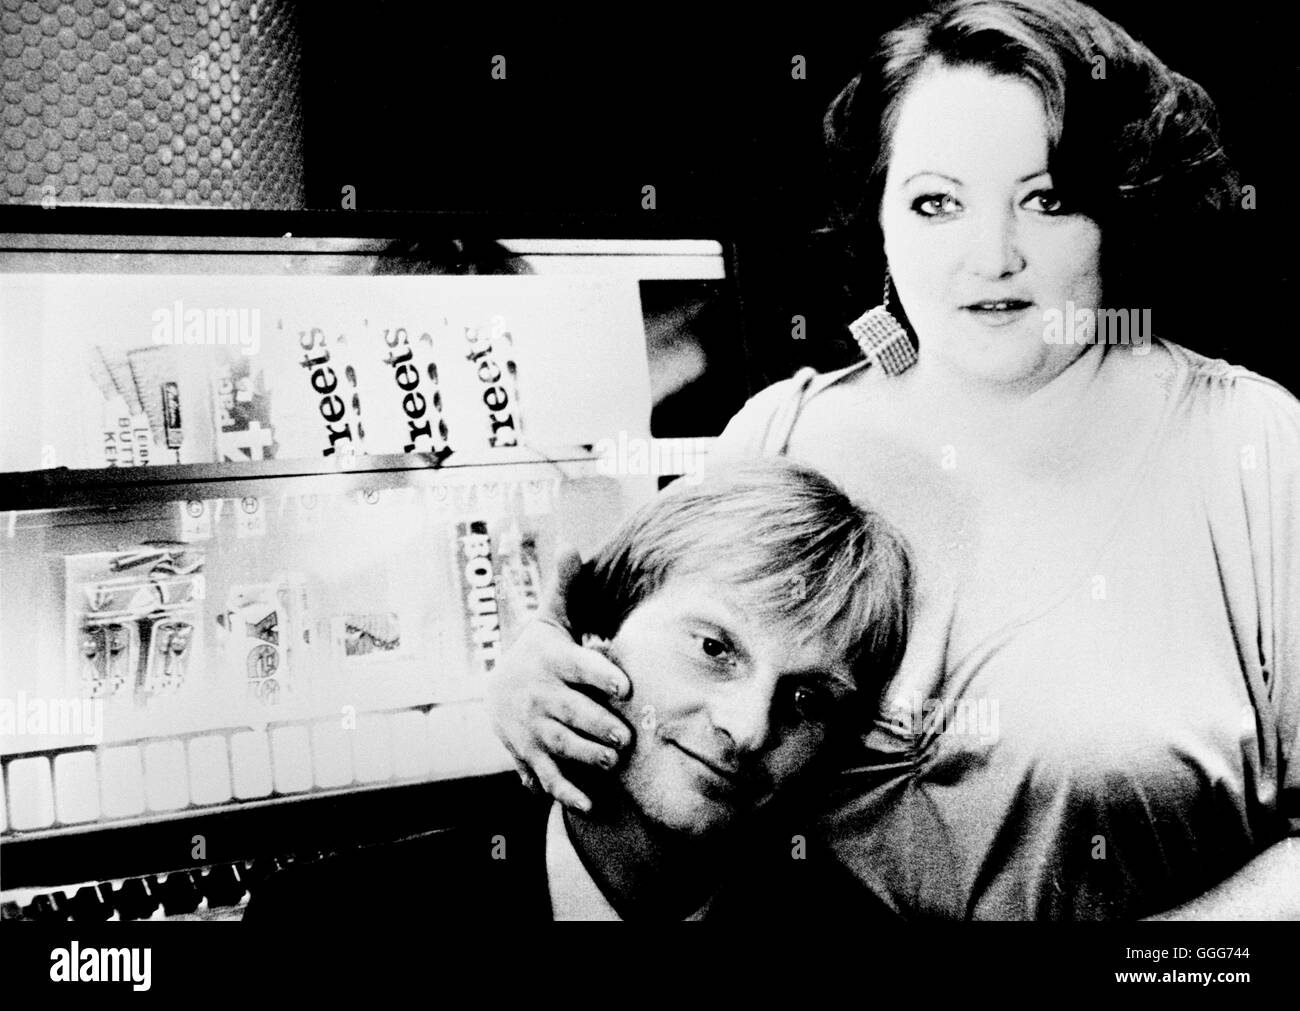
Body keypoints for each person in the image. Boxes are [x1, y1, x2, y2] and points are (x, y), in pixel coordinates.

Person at [488, 0, 1300, 920]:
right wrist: (536, 682)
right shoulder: (779, 433)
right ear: (878, 219)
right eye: (935, 202)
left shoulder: (1253, 450)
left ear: (1119, 209)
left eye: (1046, 199)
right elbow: (621, 673)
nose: (991, 256)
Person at [246, 458, 910, 921]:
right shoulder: (327, 915)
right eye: (714, 648)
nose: (749, 727)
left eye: (807, 701)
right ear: (597, 631)